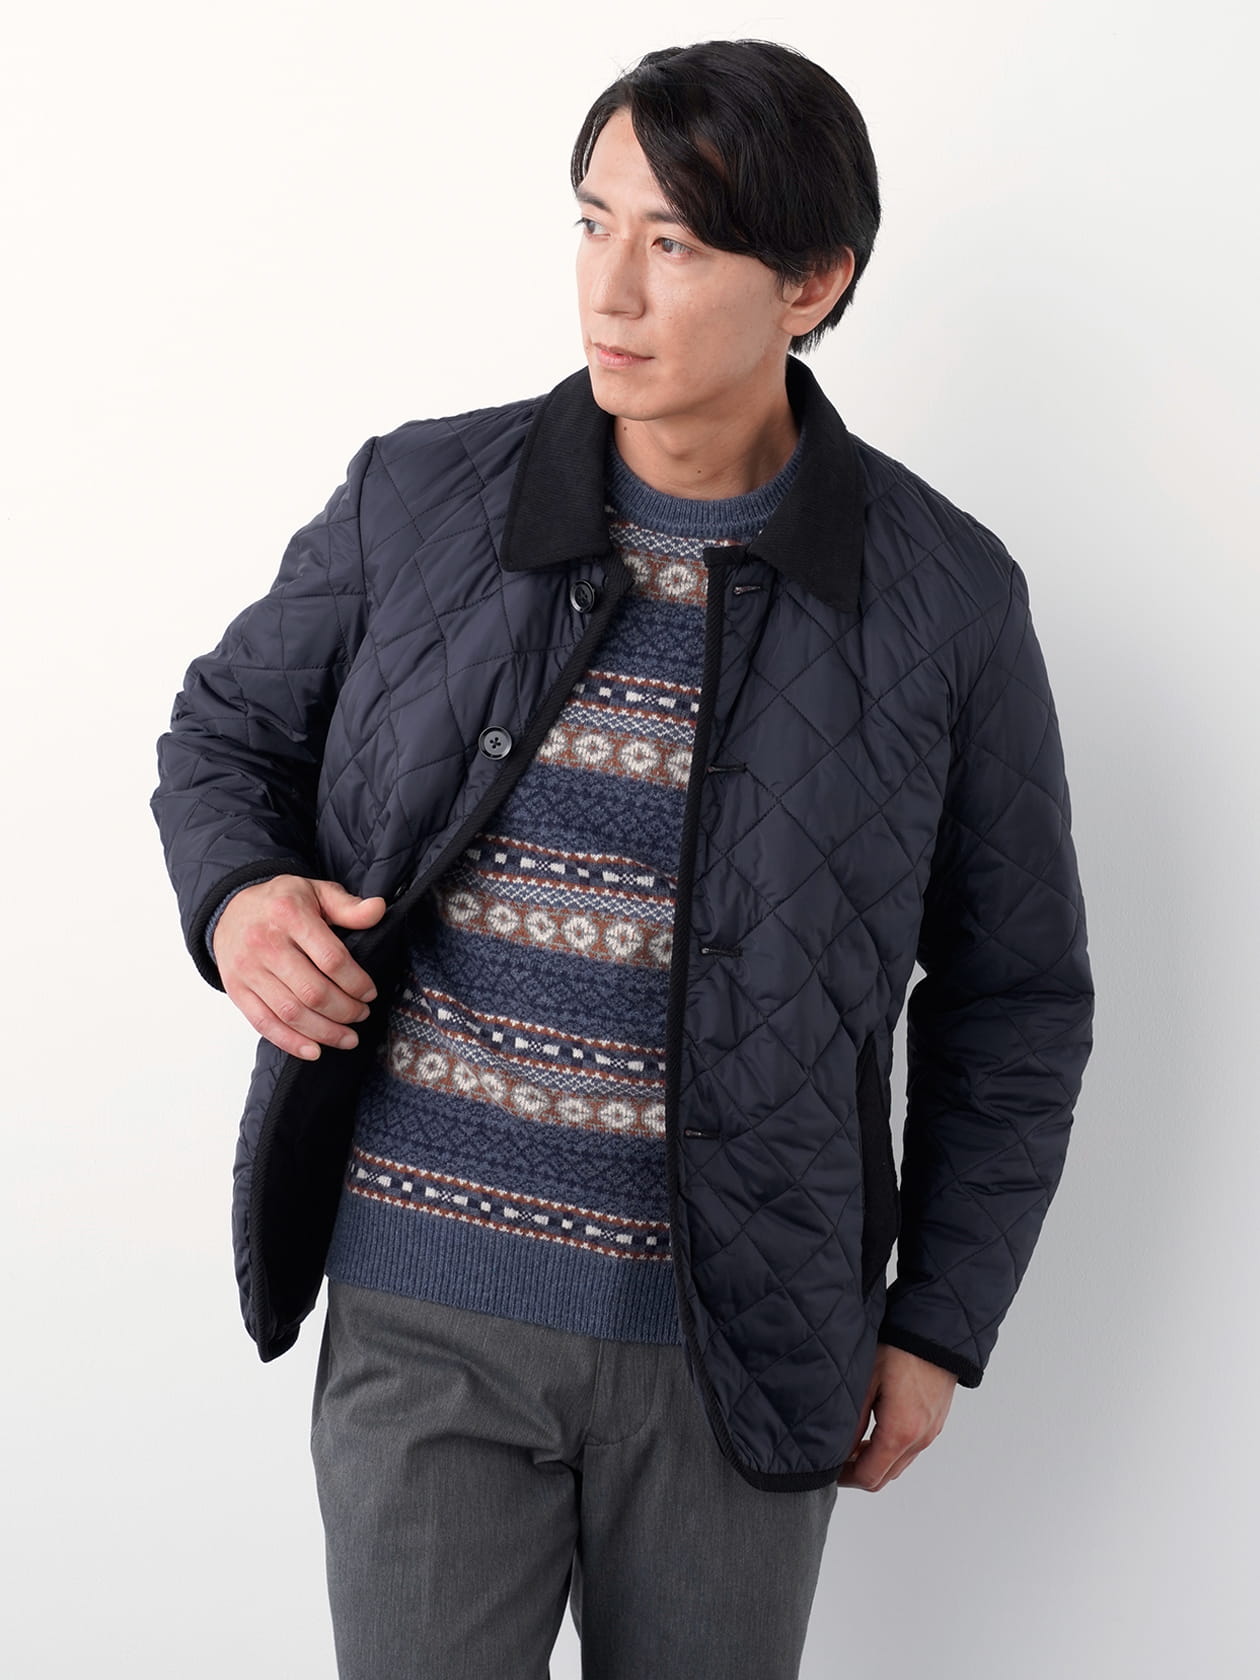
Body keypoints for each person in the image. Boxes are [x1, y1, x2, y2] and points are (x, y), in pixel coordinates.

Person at [150, 37, 1094, 1680]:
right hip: (424, 1315)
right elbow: (227, 731)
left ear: (811, 282)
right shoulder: (420, 496)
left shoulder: (944, 599)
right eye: (593, 223)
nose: (613, 288)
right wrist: (240, 900)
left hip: (738, 1345)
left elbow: (1014, 996)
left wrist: (940, 1322)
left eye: (677, 243)